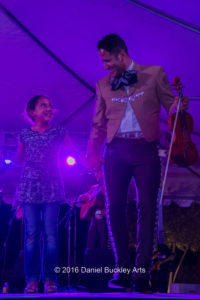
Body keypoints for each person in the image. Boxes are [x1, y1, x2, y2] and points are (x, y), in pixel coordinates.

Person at [86, 34, 188, 292]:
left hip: (145, 149)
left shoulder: (154, 74)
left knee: (148, 208)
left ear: (121, 54)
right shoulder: (102, 85)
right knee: (115, 208)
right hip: (115, 152)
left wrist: (179, 105)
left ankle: (142, 274)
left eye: (107, 61)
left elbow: (170, 105)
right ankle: (122, 270)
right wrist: (92, 153)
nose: (105, 66)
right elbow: (98, 124)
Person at [14, 95, 77, 293]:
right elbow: (19, 160)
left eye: (50, 105)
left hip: (52, 187)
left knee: (51, 235)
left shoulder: (59, 132)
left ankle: (50, 279)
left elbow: (72, 153)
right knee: (32, 235)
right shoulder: (24, 134)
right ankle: (32, 280)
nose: (49, 108)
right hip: (29, 188)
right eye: (43, 106)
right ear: (32, 112)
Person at [78, 171, 107, 251]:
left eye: (98, 172)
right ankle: (94, 250)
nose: (96, 174)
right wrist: (83, 197)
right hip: (97, 215)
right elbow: (87, 195)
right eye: (96, 173)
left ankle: (93, 249)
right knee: (96, 215)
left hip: (107, 213)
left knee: (96, 214)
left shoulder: (109, 186)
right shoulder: (95, 187)